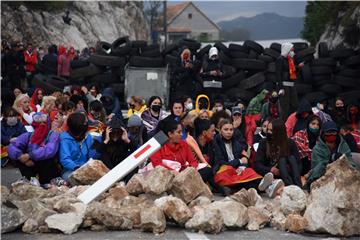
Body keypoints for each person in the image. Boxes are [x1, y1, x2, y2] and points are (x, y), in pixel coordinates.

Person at [149, 118, 220, 193]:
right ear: (170, 134)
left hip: (184, 175)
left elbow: (193, 161)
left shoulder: (184, 144)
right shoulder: (157, 146)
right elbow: (157, 165)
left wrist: (190, 170)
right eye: (179, 132)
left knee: (207, 170)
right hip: (168, 177)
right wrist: (171, 171)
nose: (182, 135)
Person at [8, 113, 62, 185]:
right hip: (30, 163)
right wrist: (20, 156)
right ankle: (30, 179)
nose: (41, 125)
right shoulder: (29, 135)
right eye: (38, 123)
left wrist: (30, 156)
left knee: (48, 159)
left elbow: (49, 150)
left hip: (46, 167)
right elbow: (13, 145)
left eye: (44, 123)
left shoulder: (52, 135)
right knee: (17, 157)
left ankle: (47, 182)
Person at [254, 118, 302, 187]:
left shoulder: (290, 143)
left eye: (271, 130)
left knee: (288, 159)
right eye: (268, 130)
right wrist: (270, 169)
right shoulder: (263, 143)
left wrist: (289, 170)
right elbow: (257, 164)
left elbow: (299, 164)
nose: (269, 132)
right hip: (269, 175)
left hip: (287, 174)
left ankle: (295, 185)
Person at [306, 121, 354, 188]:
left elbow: (351, 162)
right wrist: (330, 160)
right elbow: (316, 169)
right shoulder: (317, 149)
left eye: (333, 132)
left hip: (343, 177)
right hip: (324, 179)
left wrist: (343, 159)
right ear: (323, 133)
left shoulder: (343, 145)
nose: (331, 134)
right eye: (328, 132)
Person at [91, 116, 136, 181]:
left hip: (122, 170)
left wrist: (127, 141)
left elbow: (138, 154)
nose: (115, 135)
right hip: (107, 173)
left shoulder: (126, 138)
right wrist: (105, 141)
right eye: (113, 133)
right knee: (103, 155)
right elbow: (92, 157)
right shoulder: (101, 139)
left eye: (118, 133)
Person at [59, 112, 101, 180]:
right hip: (71, 170)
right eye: (85, 123)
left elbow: (92, 154)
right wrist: (77, 168)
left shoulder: (88, 136)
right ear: (78, 126)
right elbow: (65, 159)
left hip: (87, 168)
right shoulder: (65, 139)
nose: (86, 125)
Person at [276, 42, 304, 118]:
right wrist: (281, 87)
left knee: (295, 104)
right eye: (291, 50)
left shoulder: (290, 60)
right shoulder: (280, 59)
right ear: (287, 50)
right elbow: (278, 74)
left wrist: (298, 67)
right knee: (285, 107)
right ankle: (285, 124)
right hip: (284, 85)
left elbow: (292, 71)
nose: (293, 52)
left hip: (291, 84)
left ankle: (293, 121)